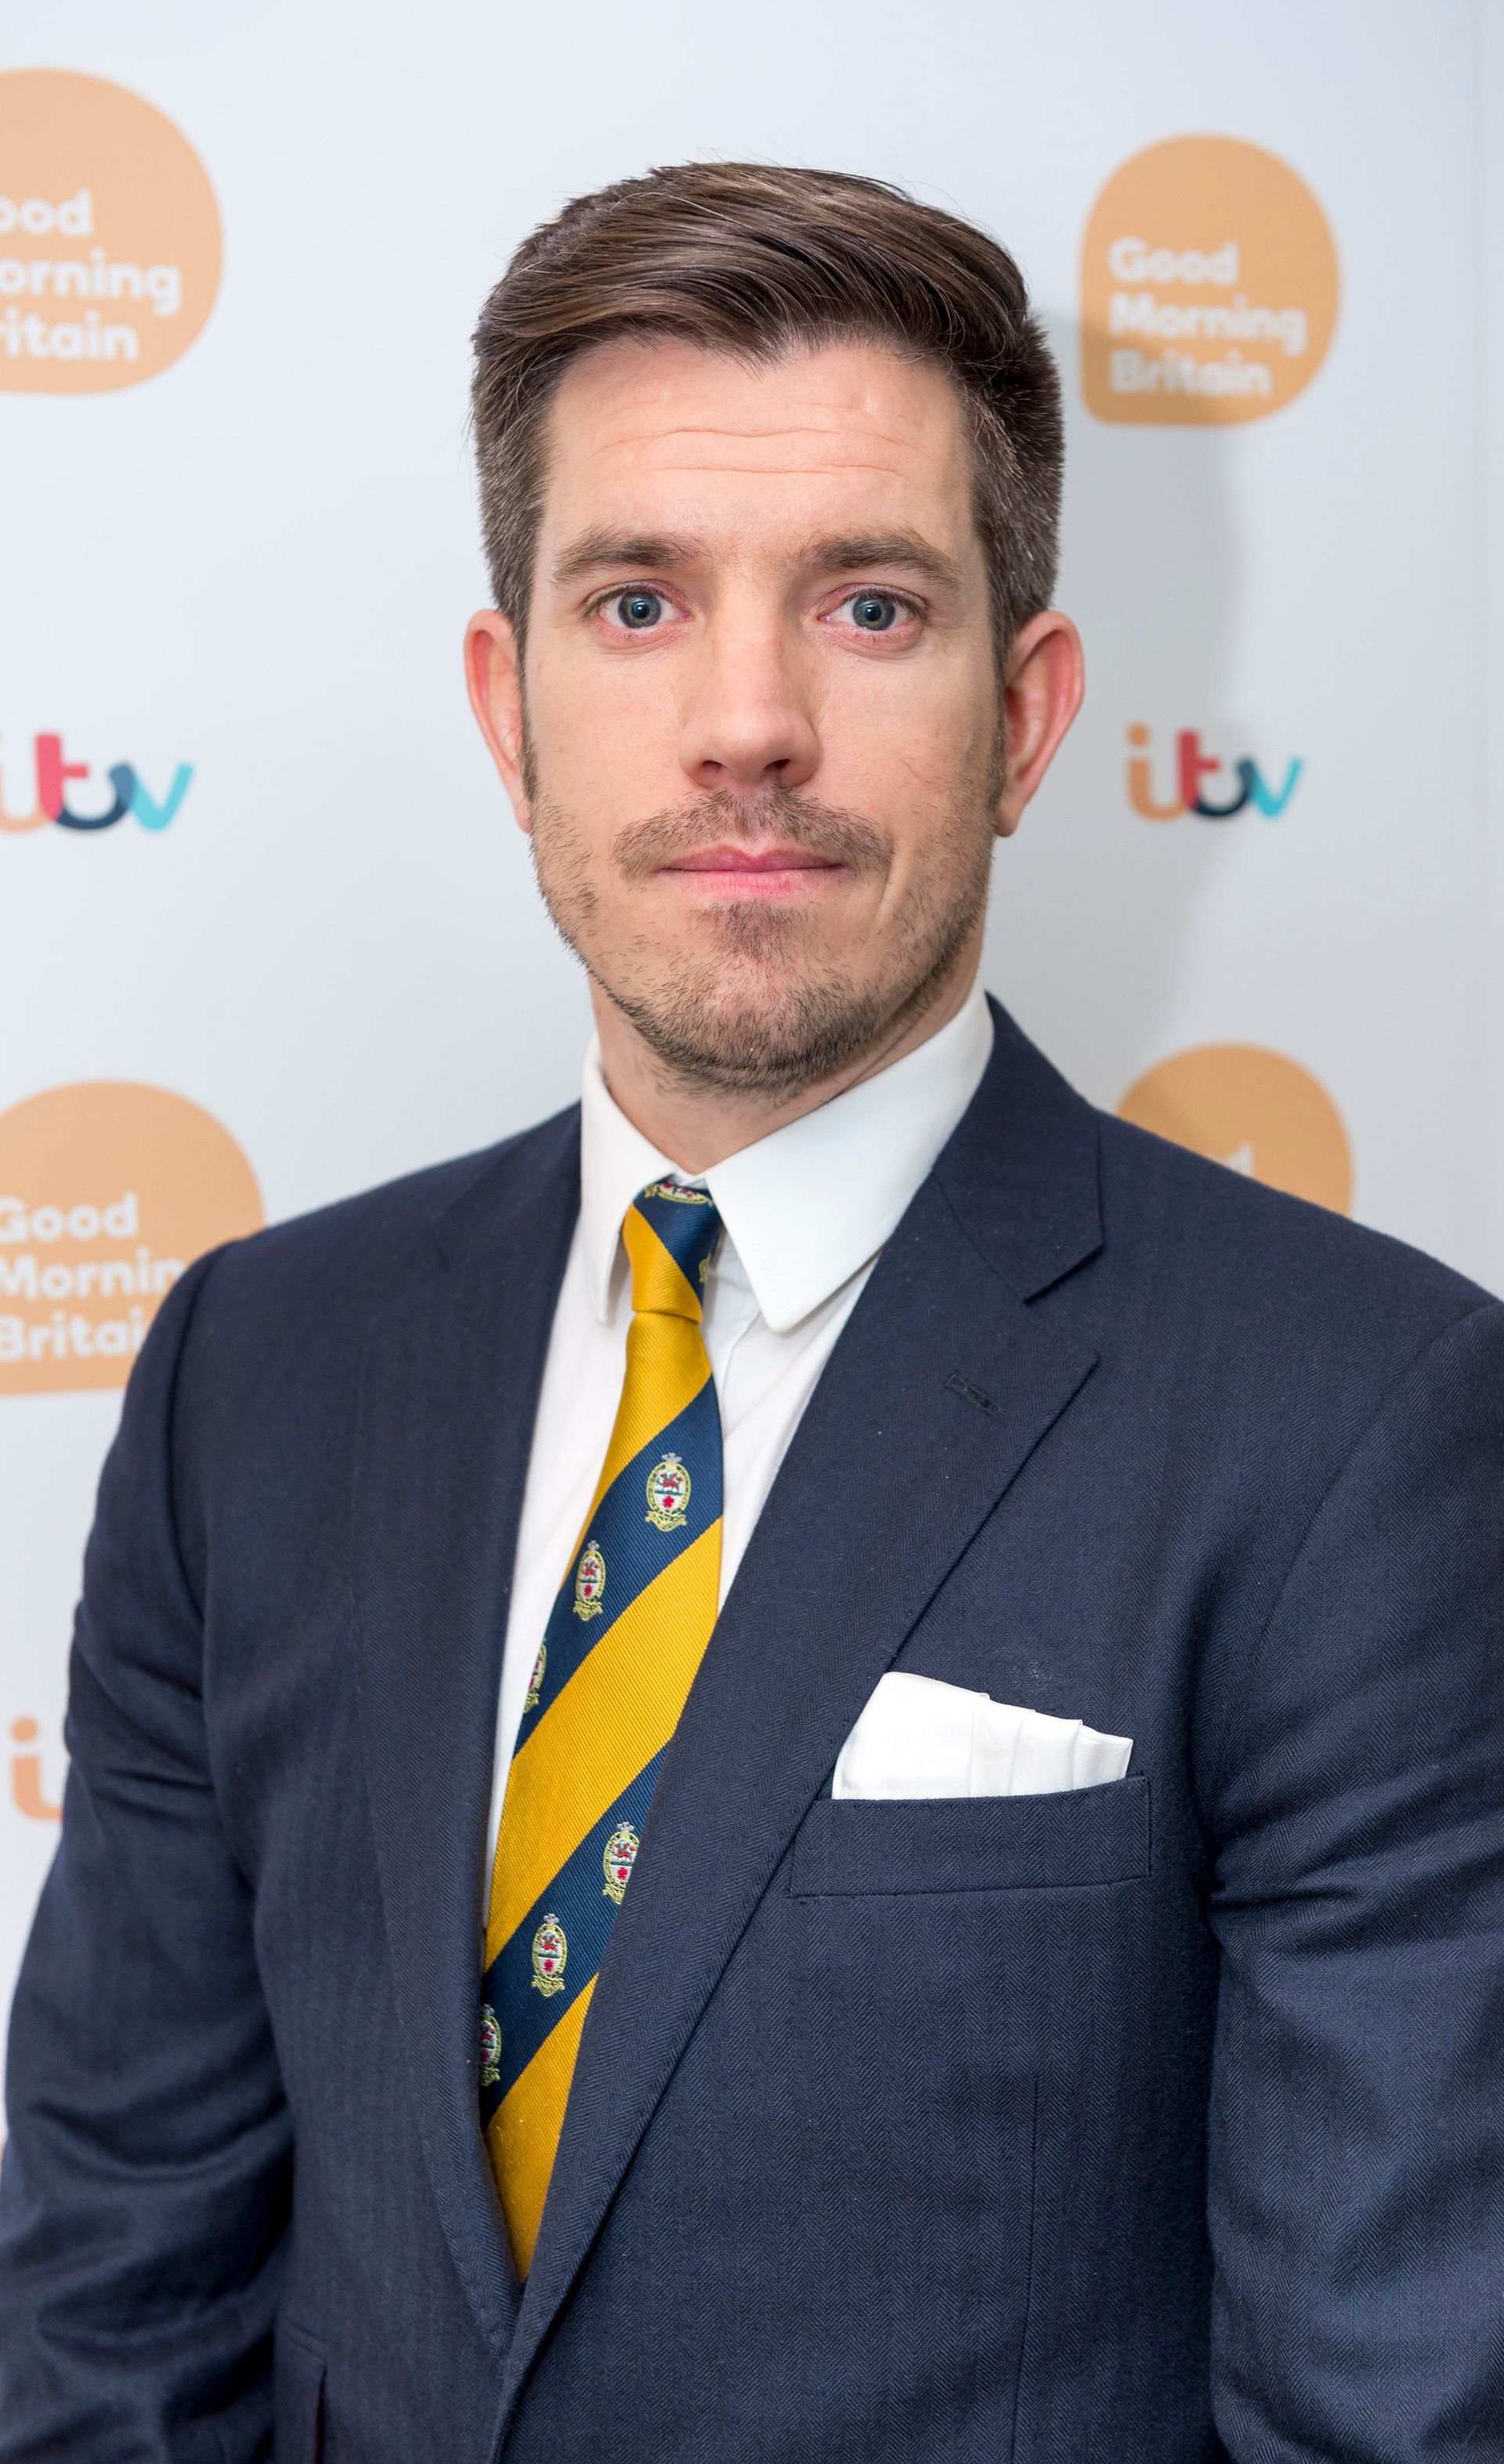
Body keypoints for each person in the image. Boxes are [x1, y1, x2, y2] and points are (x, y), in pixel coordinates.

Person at [1, 160, 1501, 2464]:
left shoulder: (1356, 1423)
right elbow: (115, 2290)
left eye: (871, 605)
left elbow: (1385, 2413)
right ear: (509, 708)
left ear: (1026, 712)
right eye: (636, 602)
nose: (746, 724)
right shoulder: (251, 1373)